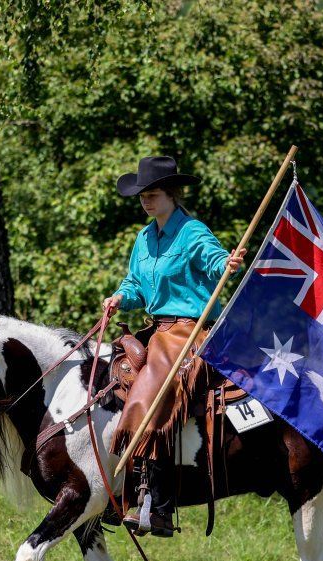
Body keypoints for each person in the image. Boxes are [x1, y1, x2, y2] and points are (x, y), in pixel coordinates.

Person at [103, 156, 245, 537]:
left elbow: (216, 263)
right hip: (156, 329)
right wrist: (119, 296)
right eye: (142, 196)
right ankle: (126, 484)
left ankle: (157, 501)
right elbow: (135, 284)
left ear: (171, 194)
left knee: (154, 391)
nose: (146, 202)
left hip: (189, 331)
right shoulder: (144, 238)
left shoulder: (192, 232)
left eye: (152, 194)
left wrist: (227, 263)